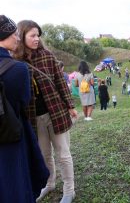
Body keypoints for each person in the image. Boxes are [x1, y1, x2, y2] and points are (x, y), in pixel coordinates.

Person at [13, 20, 77, 203]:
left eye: (38, 35)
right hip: (34, 118)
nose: (36, 39)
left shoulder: (47, 56)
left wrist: (71, 106)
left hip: (56, 113)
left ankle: (69, 190)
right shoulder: (16, 61)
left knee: (63, 154)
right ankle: (49, 184)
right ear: (22, 36)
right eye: (32, 35)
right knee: (44, 155)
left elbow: (60, 83)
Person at [0, 15, 49, 203]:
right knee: (16, 184)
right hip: (11, 135)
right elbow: (24, 100)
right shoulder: (18, 69)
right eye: (14, 34)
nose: (17, 38)